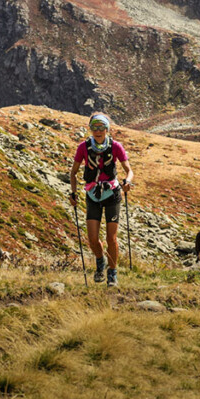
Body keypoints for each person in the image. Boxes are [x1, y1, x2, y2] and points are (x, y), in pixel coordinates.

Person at [69, 113, 133, 287]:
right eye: (94, 127)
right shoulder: (83, 147)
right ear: (90, 129)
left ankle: (112, 273)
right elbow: (73, 173)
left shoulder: (116, 146)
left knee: (111, 238)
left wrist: (128, 181)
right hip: (92, 195)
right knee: (92, 238)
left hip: (112, 194)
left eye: (101, 127)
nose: (98, 131)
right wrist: (73, 193)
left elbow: (129, 170)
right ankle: (100, 260)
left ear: (107, 129)